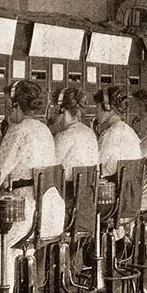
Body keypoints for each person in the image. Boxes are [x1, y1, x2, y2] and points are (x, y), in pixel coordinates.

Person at [0, 80, 65, 289]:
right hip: (51, 214)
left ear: (16, 106)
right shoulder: (44, 129)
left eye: (8, 106)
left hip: (27, 216)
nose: (7, 113)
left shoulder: (18, 130)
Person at [51, 87, 99, 239]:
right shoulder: (90, 133)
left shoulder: (65, 136)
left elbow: (48, 169)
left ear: (62, 111)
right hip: (87, 207)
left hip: (67, 206)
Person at [94, 86, 141, 179]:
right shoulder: (128, 130)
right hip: (131, 189)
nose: (96, 112)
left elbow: (96, 165)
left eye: (98, 107)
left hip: (114, 187)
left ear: (107, 107)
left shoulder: (111, 133)